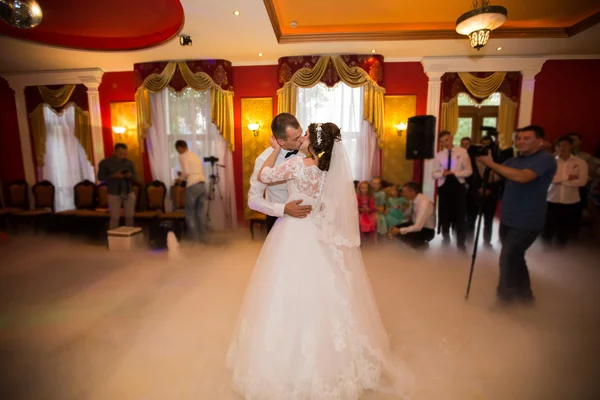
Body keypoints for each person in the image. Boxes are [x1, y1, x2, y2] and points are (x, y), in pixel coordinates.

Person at [226, 123, 414, 399]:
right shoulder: (326, 171)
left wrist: (276, 151)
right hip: (313, 231)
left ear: (310, 141)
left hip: (294, 232)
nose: (301, 137)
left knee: (292, 290)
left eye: (304, 134)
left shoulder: (300, 165)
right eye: (297, 135)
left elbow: (266, 176)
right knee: (321, 290)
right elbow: (324, 204)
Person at [478, 125, 557, 304]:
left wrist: (492, 164)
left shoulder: (546, 159)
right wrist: (481, 161)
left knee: (507, 258)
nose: (521, 141)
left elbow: (522, 177)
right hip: (508, 218)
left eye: (526, 138)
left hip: (528, 220)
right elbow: (490, 178)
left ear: (540, 141)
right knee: (516, 257)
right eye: (519, 138)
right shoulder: (512, 161)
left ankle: (504, 301)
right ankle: (525, 297)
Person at [248, 113, 311, 233]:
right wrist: (283, 209)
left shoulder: (307, 151)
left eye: (301, 134)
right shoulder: (263, 160)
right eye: (296, 139)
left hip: (307, 219)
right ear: (280, 141)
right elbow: (253, 201)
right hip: (279, 219)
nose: (302, 139)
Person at [542, 136, 588, 248]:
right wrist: (568, 177)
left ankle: (561, 250)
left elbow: (582, 182)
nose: (562, 148)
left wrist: (559, 180)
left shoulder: (580, 163)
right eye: (559, 146)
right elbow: (548, 179)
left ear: (571, 146)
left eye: (565, 145)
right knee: (547, 228)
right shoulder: (550, 161)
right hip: (551, 199)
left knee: (564, 229)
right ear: (556, 148)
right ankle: (545, 252)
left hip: (570, 200)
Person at [432, 130, 472, 250]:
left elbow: (469, 171)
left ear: (452, 138)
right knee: (444, 214)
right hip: (444, 188)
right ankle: (445, 239)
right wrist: (443, 173)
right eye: (442, 141)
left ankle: (461, 242)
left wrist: (454, 172)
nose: (445, 143)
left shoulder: (462, 152)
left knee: (460, 215)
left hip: (459, 187)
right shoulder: (439, 155)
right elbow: (434, 174)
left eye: (447, 140)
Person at [97, 143, 136, 229]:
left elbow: (135, 176)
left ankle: (130, 237)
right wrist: (114, 175)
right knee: (115, 217)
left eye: (125, 154)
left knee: (129, 217)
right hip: (113, 192)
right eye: (121, 154)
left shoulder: (129, 163)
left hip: (128, 191)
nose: (123, 156)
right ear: (115, 152)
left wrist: (130, 175)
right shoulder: (105, 163)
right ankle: (114, 237)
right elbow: (100, 177)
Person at [174, 140, 207, 242]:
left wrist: (180, 179)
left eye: (177, 150)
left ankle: (195, 240)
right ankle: (203, 238)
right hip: (202, 185)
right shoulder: (195, 156)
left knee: (189, 213)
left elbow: (186, 172)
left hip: (193, 185)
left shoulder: (183, 156)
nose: (178, 152)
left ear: (180, 148)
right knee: (199, 213)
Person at [389, 182, 436, 248]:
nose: (403, 194)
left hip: (426, 231)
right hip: (414, 224)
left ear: (412, 192)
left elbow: (418, 227)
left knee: (399, 232)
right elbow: (408, 212)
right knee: (392, 228)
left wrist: (399, 230)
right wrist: (397, 215)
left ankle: (421, 246)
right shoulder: (413, 199)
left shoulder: (424, 204)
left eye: (404, 192)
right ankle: (407, 248)